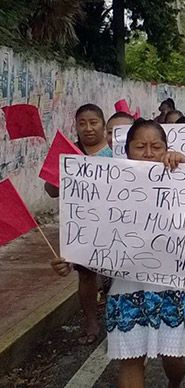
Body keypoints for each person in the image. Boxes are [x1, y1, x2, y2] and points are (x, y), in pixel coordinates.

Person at [51, 119, 185, 388]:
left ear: (167, 149)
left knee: (173, 358)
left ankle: (175, 383)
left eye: (156, 146)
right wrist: (69, 258)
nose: (148, 153)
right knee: (130, 360)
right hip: (125, 288)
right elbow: (89, 231)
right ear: (126, 151)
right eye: (140, 146)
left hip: (172, 286)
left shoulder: (182, 177)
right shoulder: (106, 185)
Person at [44, 104, 113, 345]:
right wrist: (59, 174)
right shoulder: (68, 152)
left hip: (114, 224)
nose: (88, 128)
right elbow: (51, 190)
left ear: (103, 125)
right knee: (86, 277)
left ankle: (117, 320)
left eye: (93, 122)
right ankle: (92, 322)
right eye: (82, 123)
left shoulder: (116, 152)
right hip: (82, 227)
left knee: (114, 277)